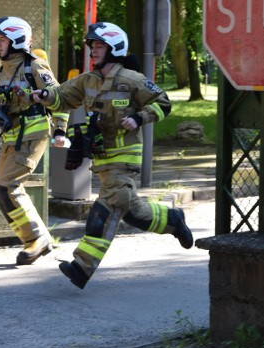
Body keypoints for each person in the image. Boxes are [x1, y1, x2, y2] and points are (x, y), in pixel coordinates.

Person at [29, 21, 193, 289]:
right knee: (133, 212)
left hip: (124, 159)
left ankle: (82, 267)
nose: (94, 50)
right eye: (92, 45)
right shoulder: (88, 80)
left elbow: (163, 102)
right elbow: (62, 96)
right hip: (102, 160)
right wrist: (43, 95)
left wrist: (140, 118)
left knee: (103, 212)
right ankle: (173, 220)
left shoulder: (132, 79)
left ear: (114, 48)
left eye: (99, 45)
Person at [0, 16, 69, 265]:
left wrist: (61, 131)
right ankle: (37, 238)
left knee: (8, 187)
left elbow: (61, 98)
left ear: (16, 40)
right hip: (12, 137)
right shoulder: (2, 71)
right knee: (3, 190)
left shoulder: (36, 67)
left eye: (2, 39)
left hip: (34, 135)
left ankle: (36, 240)